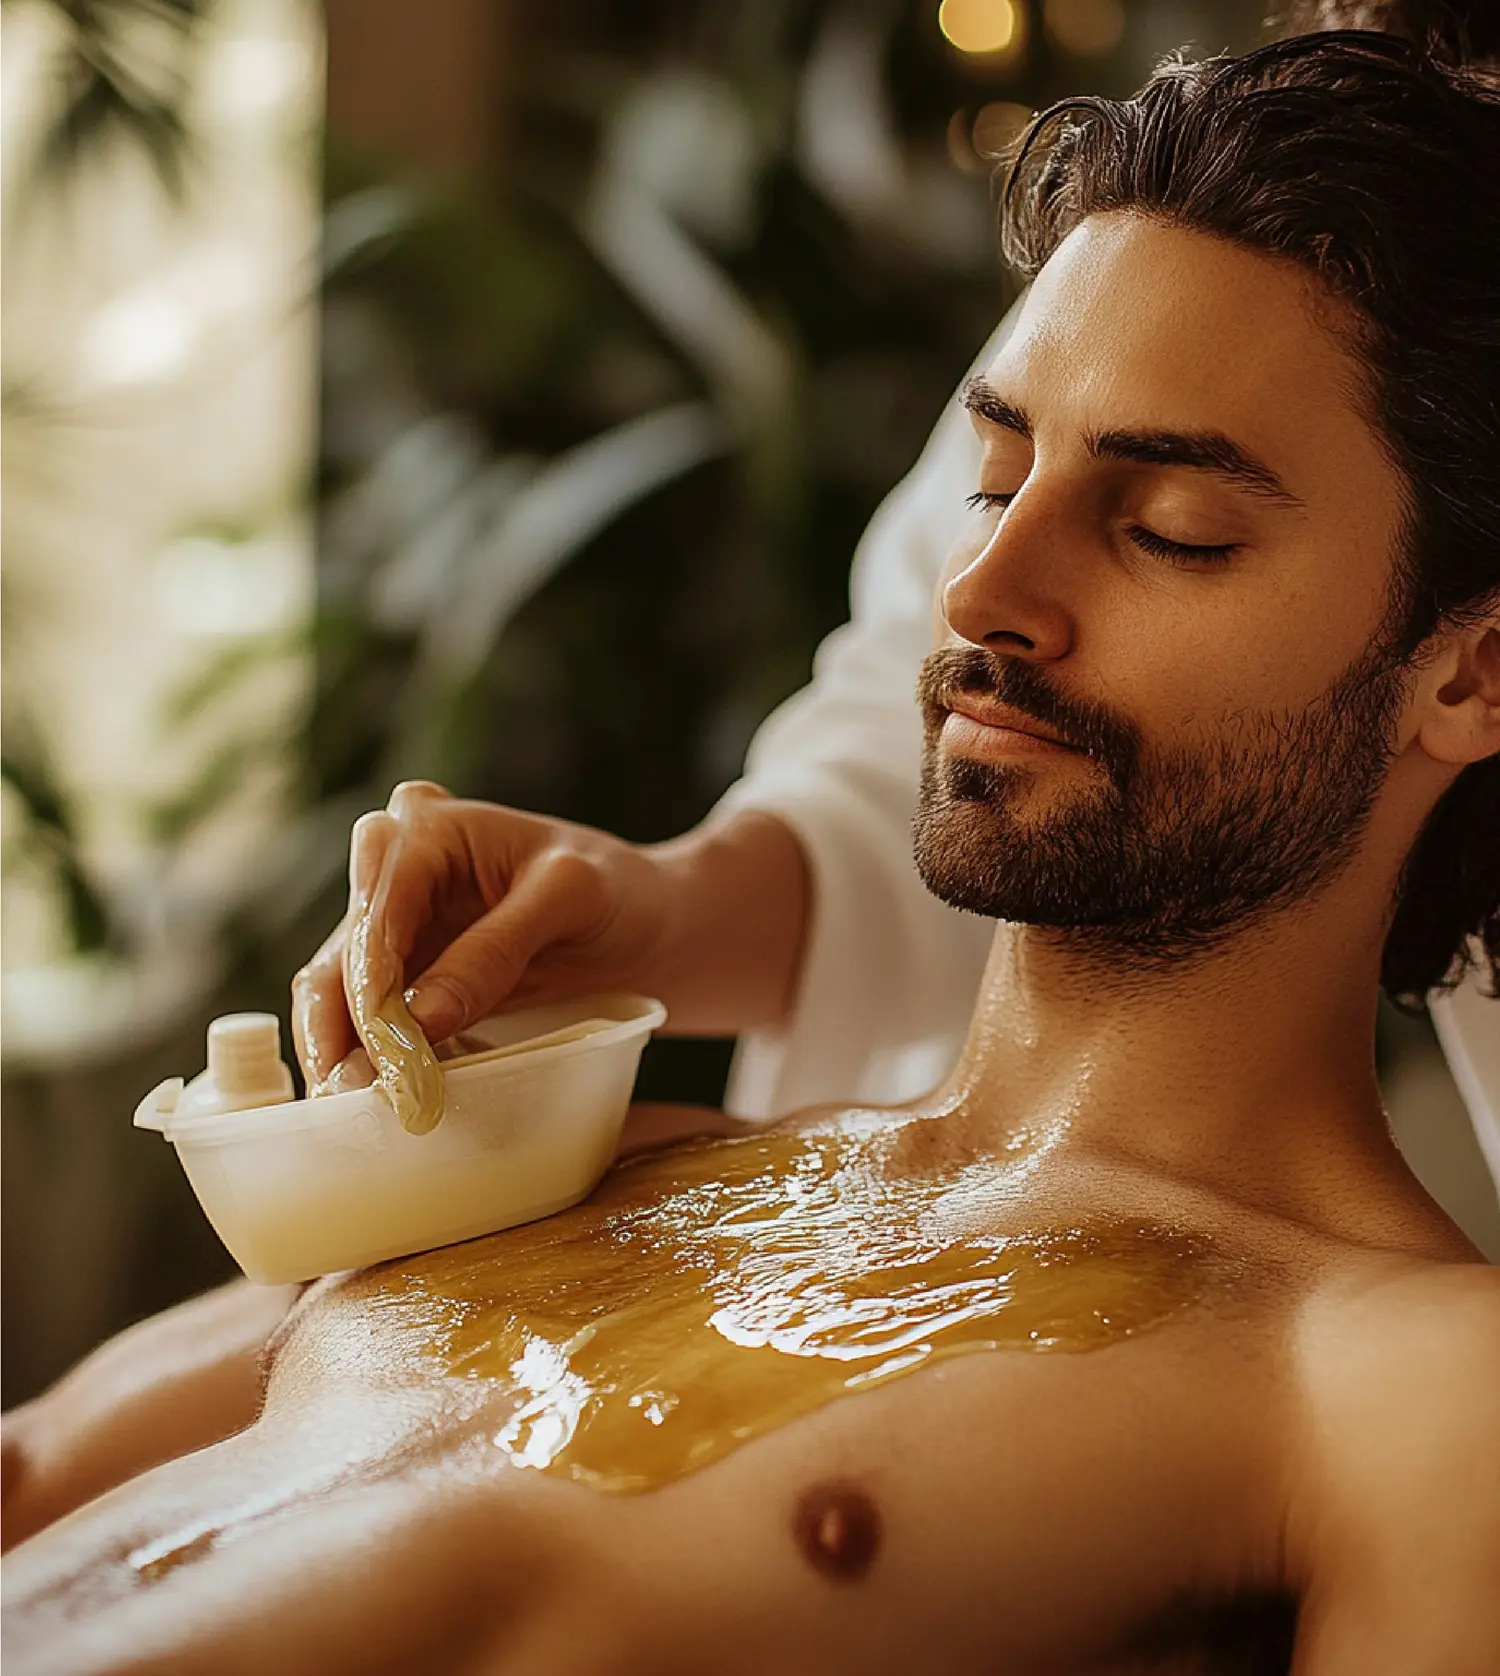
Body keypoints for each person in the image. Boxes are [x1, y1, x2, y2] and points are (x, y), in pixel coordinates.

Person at [5, 27, 1500, 1676]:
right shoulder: (605, 1163)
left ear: (1471, 668)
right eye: (994, 475)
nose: (981, 591)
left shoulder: (1396, 1387)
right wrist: (665, 899)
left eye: (1171, 533)